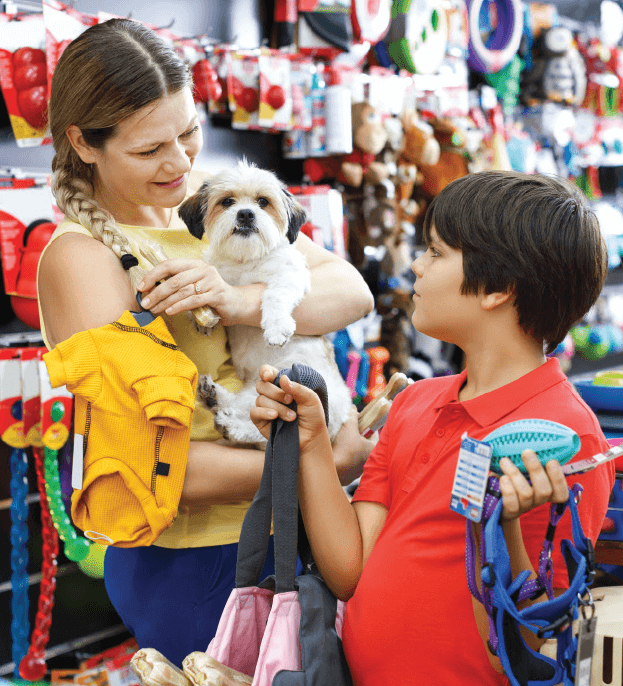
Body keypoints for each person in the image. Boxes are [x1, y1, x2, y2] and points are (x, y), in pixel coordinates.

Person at [36, 18, 374, 668]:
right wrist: (322, 468)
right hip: (196, 562)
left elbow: (350, 291)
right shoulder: (84, 260)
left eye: (189, 133)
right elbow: (168, 469)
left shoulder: (207, 202)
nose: (181, 162)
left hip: (299, 532)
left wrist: (240, 300)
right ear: (82, 142)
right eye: (149, 150)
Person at [251, 171, 616, 686]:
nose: (416, 267)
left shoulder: (561, 439)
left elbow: (530, 649)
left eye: (436, 252)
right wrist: (311, 441)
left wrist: (501, 528)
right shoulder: (416, 401)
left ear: (497, 288)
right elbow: (350, 570)